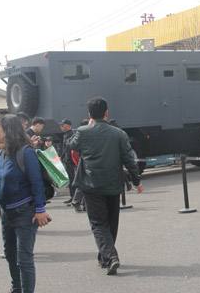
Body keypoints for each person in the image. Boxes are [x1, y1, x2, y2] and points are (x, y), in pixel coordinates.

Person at [67, 97, 143, 275]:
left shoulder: (83, 131)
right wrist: (136, 180)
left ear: (89, 114)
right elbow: (128, 159)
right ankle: (106, 257)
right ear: (107, 113)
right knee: (111, 222)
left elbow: (70, 144)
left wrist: (84, 127)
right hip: (113, 184)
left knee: (98, 223)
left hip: (91, 185)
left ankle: (110, 256)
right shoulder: (119, 133)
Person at [0, 114, 52, 293]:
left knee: (23, 258)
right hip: (6, 212)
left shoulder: (26, 152)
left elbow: (36, 182)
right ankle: (16, 288)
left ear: (7, 130)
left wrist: (40, 209)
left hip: (25, 212)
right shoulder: (1, 152)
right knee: (10, 254)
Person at [59, 119, 76, 204]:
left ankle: (75, 197)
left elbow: (71, 148)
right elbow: (64, 148)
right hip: (67, 160)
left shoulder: (72, 134)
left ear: (68, 125)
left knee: (73, 179)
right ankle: (72, 196)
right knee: (70, 179)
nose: (61, 127)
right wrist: (61, 157)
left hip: (71, 161)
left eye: (63, 125)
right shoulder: (65, 135)